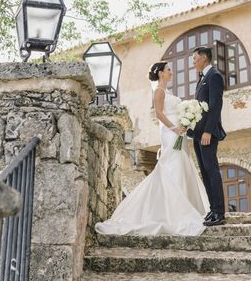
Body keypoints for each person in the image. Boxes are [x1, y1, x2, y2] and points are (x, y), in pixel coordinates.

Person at [95, 62, 209, 236]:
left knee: (180, 164)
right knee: (172, 165)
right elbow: (159, 113)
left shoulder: (168, 92)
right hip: (171, 133)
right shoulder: (159, 91)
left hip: (179, 133)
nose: (171, 72)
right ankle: (174, 211)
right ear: (161, 74)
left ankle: (182, 206)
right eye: (168, 69)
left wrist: (186, 121)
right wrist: (174, 128)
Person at [191, 46, 227, 227]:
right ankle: (212, 209)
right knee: (204, 172)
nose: (193, 63)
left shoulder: (214, 76)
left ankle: (219, 212)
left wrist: (208, 131)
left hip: (207, 133)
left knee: (212, 170)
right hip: (198, 134)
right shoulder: (201, 79)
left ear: (204, 58)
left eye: (195, 59)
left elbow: (215, 106)